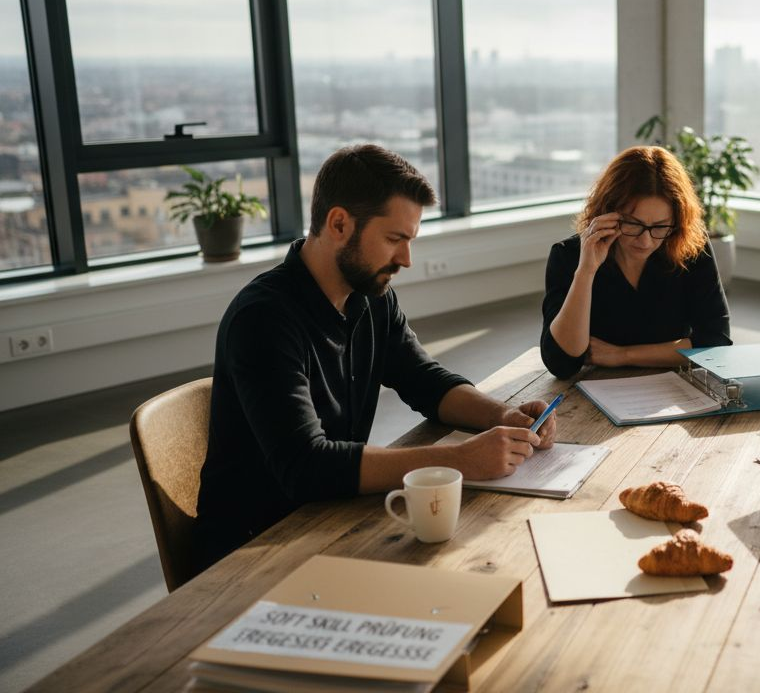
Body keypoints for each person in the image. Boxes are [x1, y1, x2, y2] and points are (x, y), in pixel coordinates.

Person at [195, 144, 558, 571]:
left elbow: (425, 379)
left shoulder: (370, 298)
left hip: (333, 519)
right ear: (339, 224)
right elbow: (306, 466)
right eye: (394, 239)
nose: (406, 259)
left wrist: (502, 415)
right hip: (255, 552)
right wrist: (462, 460)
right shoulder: (263, 319)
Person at [541, 145, 731, 378]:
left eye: (660, 226)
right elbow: (561, 363)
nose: (646, 241)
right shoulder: (568, 256)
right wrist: (586, 271)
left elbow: (716, 344)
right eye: (633, 223)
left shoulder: (690, 248)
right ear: (607, 212)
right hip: (593, 387)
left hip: (670, 390)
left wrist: (622, 355)